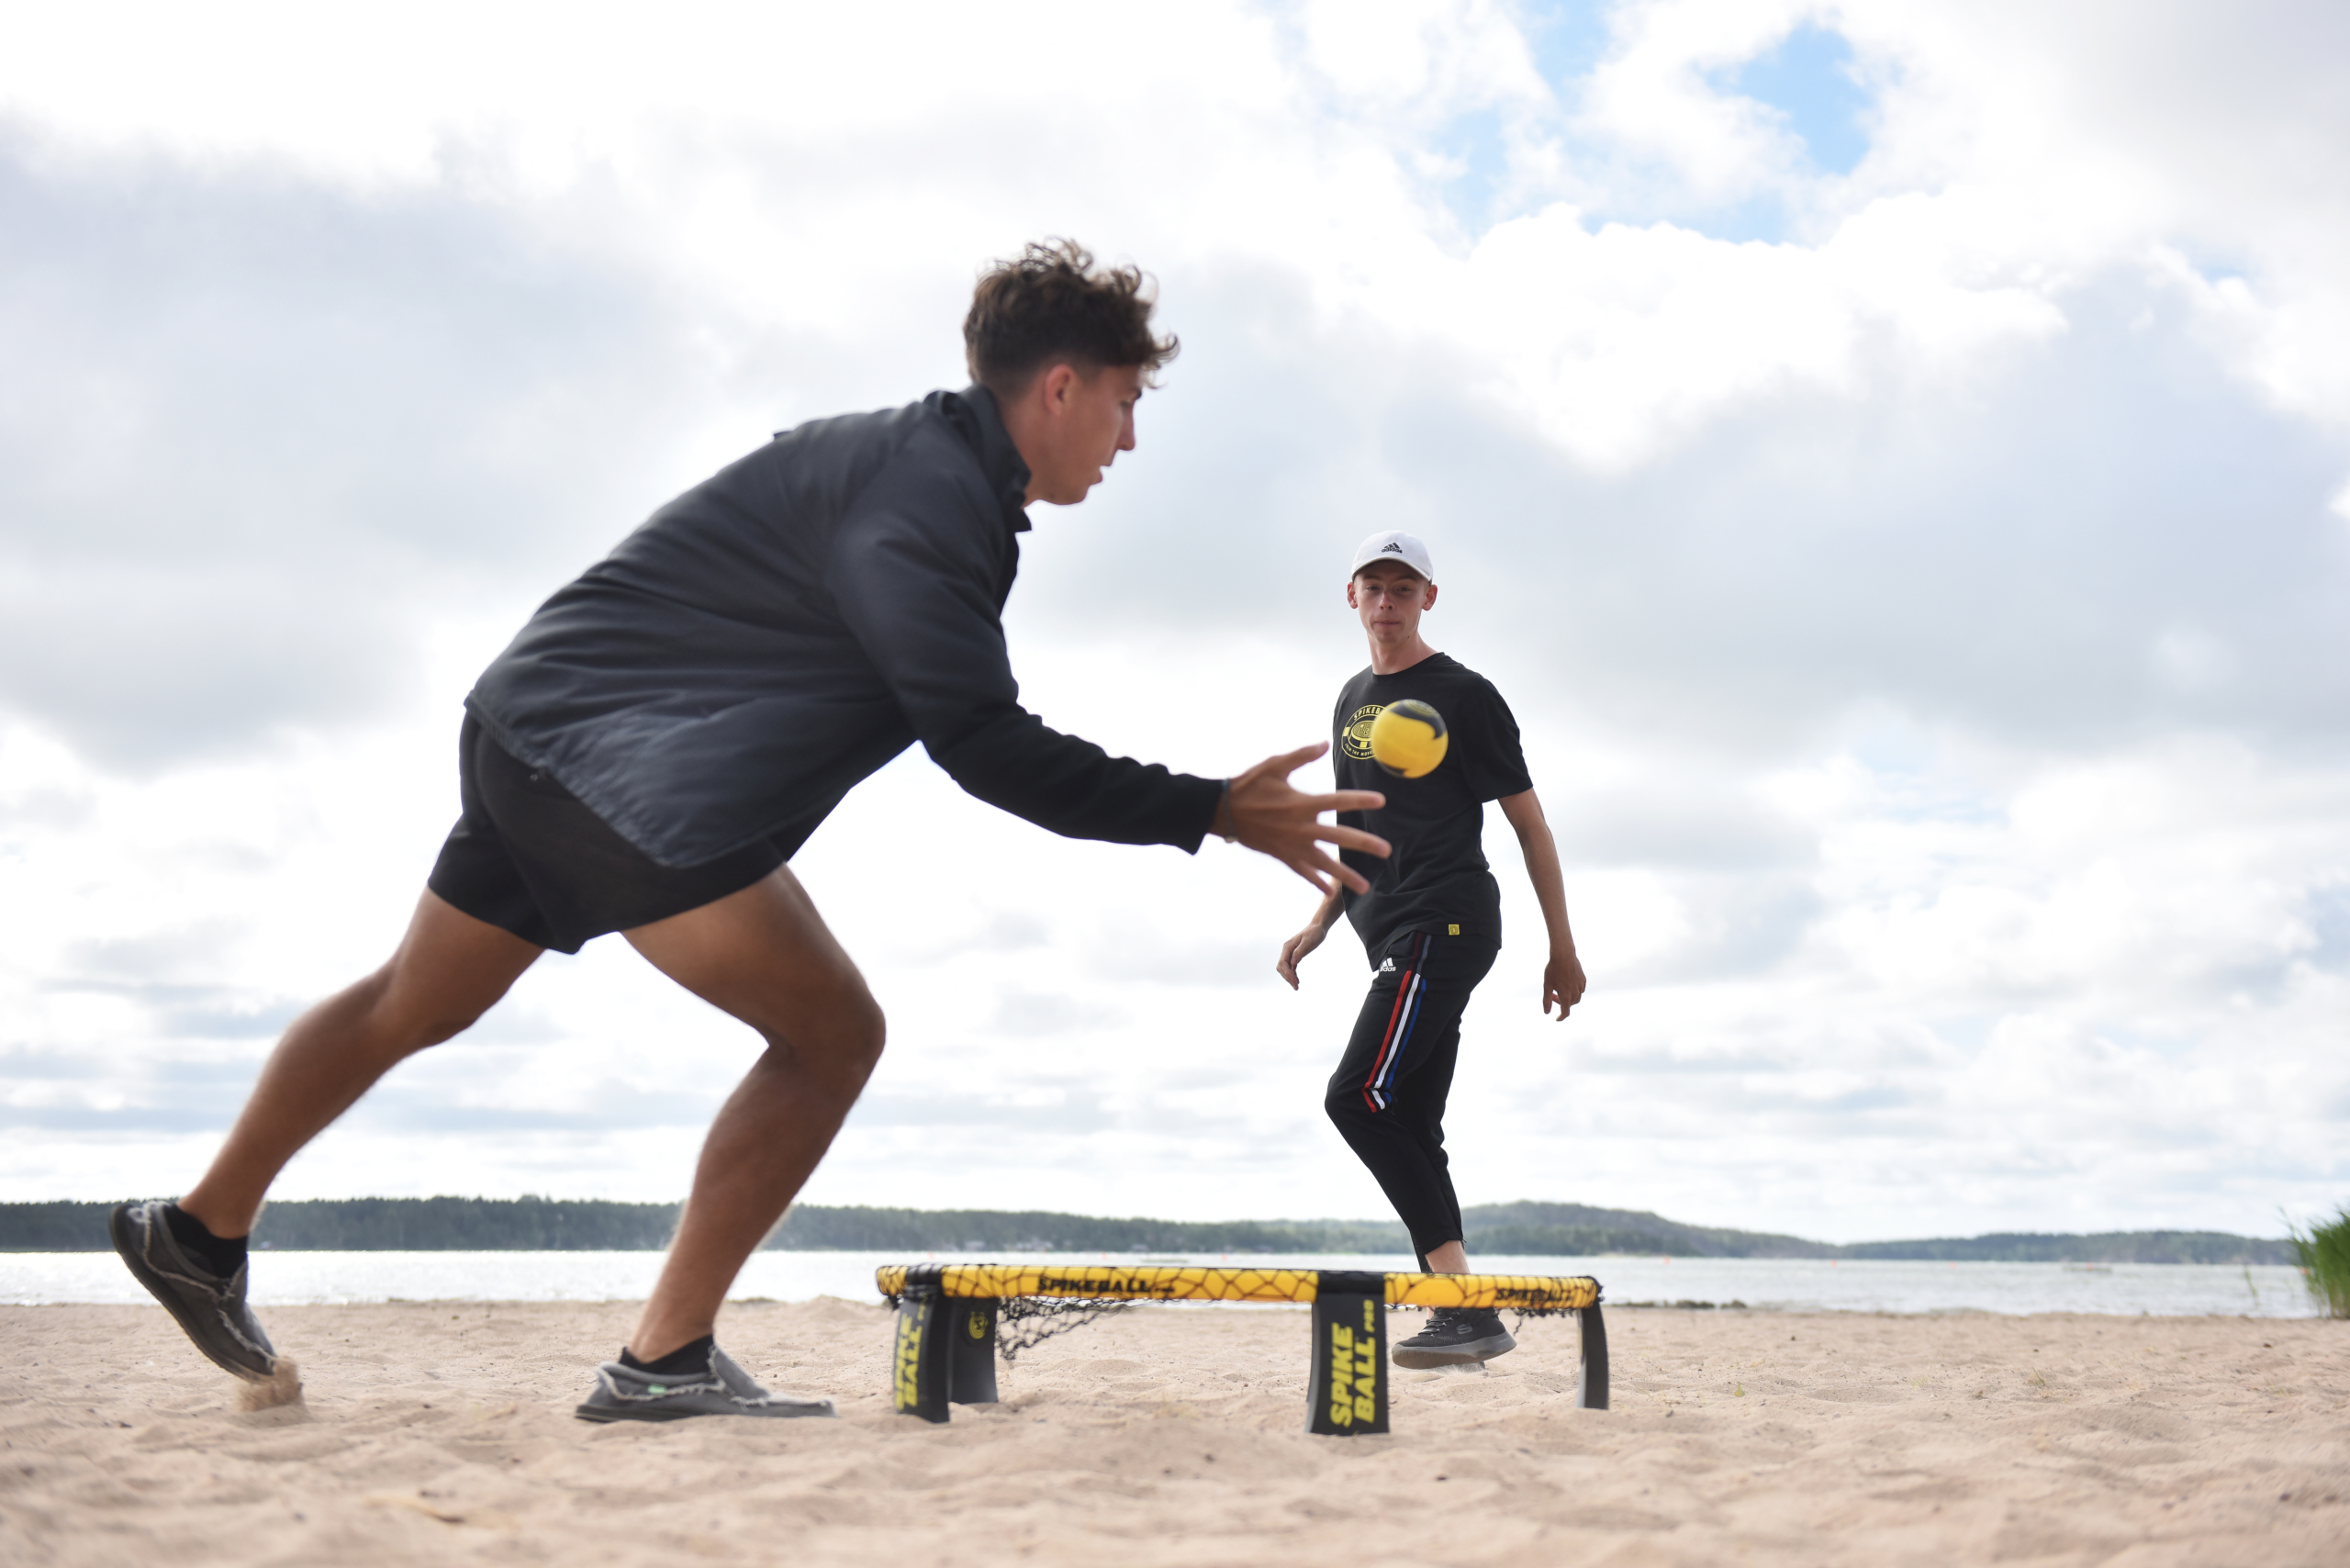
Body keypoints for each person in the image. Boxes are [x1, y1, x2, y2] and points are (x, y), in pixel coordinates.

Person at [112, 240, 1389, 1422]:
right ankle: (661, 1356)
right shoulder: (927, 502)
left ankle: (197, 1231)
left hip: (528, 728)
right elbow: (982, 742)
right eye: (1124, 402)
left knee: (411, 1000)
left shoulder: (899, 461)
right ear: (1060, 387)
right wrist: (1211, 808)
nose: (1128, 438)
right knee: (833, 1034)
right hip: (622, 777)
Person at [1275, 530, 1584, 1369]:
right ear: (1352, 596)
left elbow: (1530, 824)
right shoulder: (1351, 698)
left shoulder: (1465, 694)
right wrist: (1320, 920)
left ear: (1428, 599)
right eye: (1374, 587)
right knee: (1409, 1116)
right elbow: (1357, 828)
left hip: (1444, 921)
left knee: (1354, 1097)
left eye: (1404, 588)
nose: (1388, 602)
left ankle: (1461, 1305)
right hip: (1390, 928)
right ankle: (1465, 1317)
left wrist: (1561, 946)